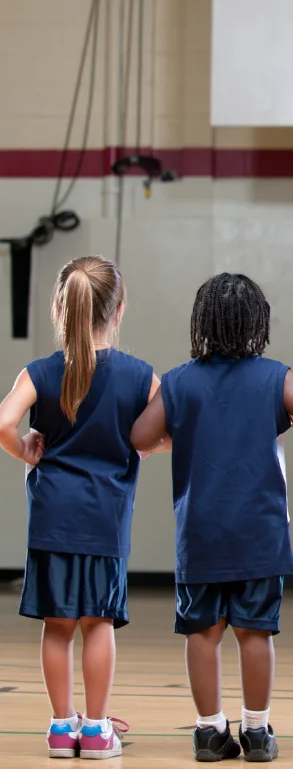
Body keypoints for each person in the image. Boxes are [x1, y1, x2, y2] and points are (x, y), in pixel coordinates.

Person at [130, 273, 293, 763]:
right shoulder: (274, 376)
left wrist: (187, 429)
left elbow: (140, 436)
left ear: (201, 322)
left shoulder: (180, 380)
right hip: (260, 532)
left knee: (202, 631)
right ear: (257, 325)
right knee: (255, 631)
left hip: (199, 532)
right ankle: (258, 733)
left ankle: (207, 733)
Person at [0, 255, 163, 760]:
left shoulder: (40, 372)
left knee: (58, 626)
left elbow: (3, 422)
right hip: (105, 520)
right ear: (118, 311)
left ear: (59, 306)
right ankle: (95, 730)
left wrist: (24, 447)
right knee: (98, 624)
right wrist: (140, 444)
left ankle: (58, 728)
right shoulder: (140, 376)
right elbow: (168, 434)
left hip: (51, 518)